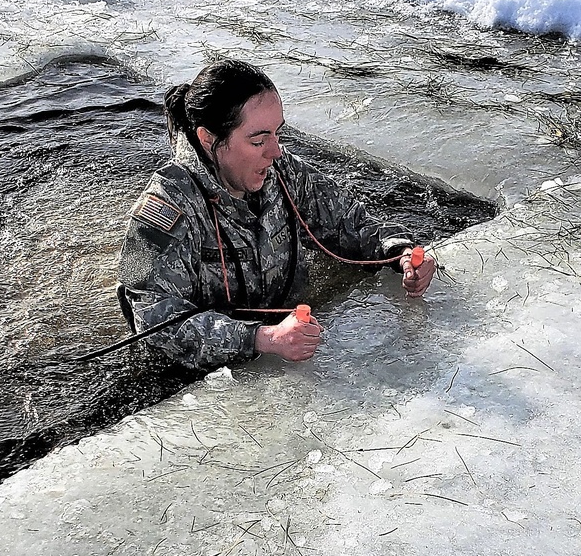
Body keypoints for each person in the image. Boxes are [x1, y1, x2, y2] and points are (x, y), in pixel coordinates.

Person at [116, 60, 435, 372]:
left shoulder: (281, 171)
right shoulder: (167, 206)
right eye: (258, 140)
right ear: (208, 139)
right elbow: (154, 319)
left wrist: (401, 253)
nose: (276, 151)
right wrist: (261, 338)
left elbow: (347, 221)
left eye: (277, 134)